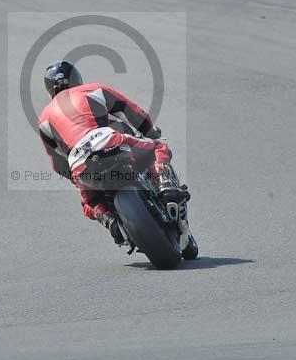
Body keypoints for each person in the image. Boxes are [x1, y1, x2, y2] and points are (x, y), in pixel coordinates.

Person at [37, 60, 189, 245]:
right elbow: (131, 111)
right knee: (158, 146)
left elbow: (56, 162)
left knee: (89, 203)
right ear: (76, 78)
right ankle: (166, 186)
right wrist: (150, 132)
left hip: (79, 161)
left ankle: (109, 221)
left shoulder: (44, 118)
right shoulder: (93, 89)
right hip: (109, 142)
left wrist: (75, 178)